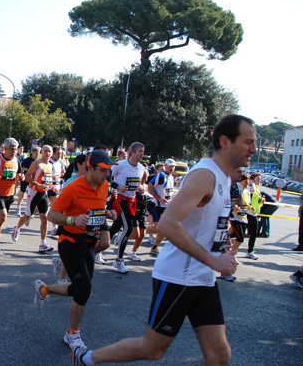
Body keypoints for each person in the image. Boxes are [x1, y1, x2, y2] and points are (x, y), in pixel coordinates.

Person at [71, 114, 254, 366]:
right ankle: (86, 358)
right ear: (225, 141)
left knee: (219, 355)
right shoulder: (204, 175)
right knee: (153, 349)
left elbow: (209, 225)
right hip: (180, 277)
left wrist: (221, 251)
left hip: (203, 277)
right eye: (248, 142)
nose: (254, 149)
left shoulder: (224, 177)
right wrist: (212, 259)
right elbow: (168, 223)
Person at [34, 151, 117, 349]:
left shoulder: (104, 185)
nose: (107, 174)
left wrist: (108, 212)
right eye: (103, 170)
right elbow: (52, 214)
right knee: (85, 290)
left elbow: (96, 206)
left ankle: (43, 289)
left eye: (109, 170)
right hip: (70, 242)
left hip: (89, 243)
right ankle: (72, 334)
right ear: (90, 169)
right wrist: (72, 219)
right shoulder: (73, 187)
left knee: (79, 289)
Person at [107, 142, 146, 274]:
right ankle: (119, 260)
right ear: (132, 152)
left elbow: (138, 183)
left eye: (143, 151)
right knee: (128, 228)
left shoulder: (141, 168)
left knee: (116, 227)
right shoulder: (120, 165)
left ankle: (97, 249)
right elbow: (107, 176)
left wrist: (140, 188)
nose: (142, 154)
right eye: (140, 151)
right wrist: (117, 187)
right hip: (120, 199)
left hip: (131, 200)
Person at [12, 145, 55, 252]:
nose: (47, 153)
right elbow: (27, 176)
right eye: (45, 151)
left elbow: (48, 180)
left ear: (52, 153)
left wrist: (52, 187)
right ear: (41, 152)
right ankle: (17, 228)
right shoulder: (37, 163)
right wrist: (38, 185)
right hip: (34, 192)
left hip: (44, 194)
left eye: (49, 151)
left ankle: (43, 243)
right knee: (28, 216)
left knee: (44, 218)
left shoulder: (50, 165)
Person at [0, 137, 23, 254]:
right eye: (12, 149)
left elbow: (19, 174)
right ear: (5, 149)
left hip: (9, 194)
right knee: (3, 215)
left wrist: (21, 178)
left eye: (16, 149)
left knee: (0, 219)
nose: (14, 152)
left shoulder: (16, 161)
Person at [148, 159, 177, 256]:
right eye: (170, 166)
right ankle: (140, 230)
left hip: (167, 207)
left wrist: (171, 196)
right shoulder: (160, 176)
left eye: (173, 166)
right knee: (159, 228)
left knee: (165, 229)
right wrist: (159, 198)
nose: (172, 168)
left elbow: (169, 191)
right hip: (157, 206)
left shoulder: (172, 177)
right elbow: (150, 187)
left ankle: (154, 247)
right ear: (165, 165)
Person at [16, 147, 41, 216]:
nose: (37, 155)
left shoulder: (39, 161)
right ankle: (18, 207)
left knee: (32, 195)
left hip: (33, 180)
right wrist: (29, 169)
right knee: (22, 194)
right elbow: (21, 167)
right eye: (36, 153)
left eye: (38, 153)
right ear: (32, 153)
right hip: (25, 178)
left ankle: (30, 210)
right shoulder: (27, 160)